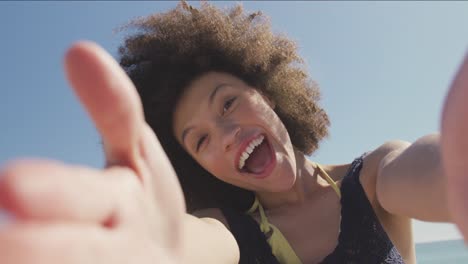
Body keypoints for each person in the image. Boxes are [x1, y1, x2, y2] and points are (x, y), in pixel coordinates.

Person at [0, 1, 467, 263]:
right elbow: (184, 244)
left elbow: (435, 171)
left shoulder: (375, 178)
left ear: (268, 93)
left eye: (228, 102)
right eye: (199, 140)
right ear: (197, 166)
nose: (223, 134)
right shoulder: (231, 232)